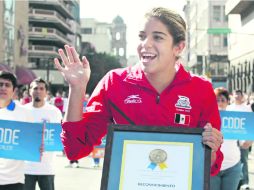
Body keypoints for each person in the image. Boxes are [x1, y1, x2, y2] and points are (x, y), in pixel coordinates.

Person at [54, 7, 223, 176]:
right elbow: (75, 149)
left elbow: (210, 167)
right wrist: (77, 88)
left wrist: (212, 148)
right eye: (142, 36)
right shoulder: (114, 82)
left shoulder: (201, 89)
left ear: (178, 47)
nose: (145, 44)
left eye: (157, 37)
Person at [24, 78, 62, 190]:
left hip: (47, 168)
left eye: (41, 88)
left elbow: (59, 136)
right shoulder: (22, 111)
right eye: (35, 88)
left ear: (46, 92)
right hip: (26, 168)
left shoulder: (54, 112)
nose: (38, 91)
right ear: (30, 91)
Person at [0, 71, 32, 190]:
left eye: (7, 85)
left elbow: (31, 143)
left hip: (13, 179)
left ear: (14, 91)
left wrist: (37, 147)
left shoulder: (25, 114)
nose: (3, 88)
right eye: (0, 84)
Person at [210, 87, 241, 190]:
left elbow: (243, 143)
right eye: (217, 100)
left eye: (222, 100)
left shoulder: (236, 118)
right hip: (212, 166)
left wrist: (248, 140)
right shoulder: (207, 118)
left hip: (232, 166)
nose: (219, 103)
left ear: (228, 102)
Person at [227, 90, 253, 190]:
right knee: (233, 162)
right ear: (232, 96)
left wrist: (250, 140)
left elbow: (250, 124)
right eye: (235, 94)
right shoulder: (229, 108)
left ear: (242, 96)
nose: (237, 96)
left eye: (239, 94)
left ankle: (245, 182)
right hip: (231, 141)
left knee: (243, 161)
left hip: (243, 140)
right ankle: (236, 182)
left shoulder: (247, 109)